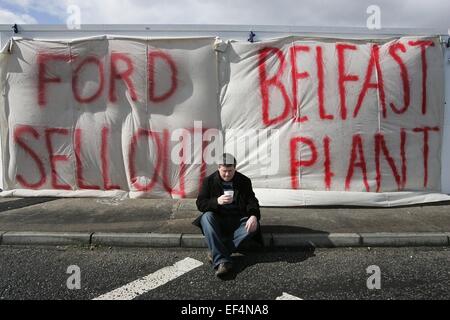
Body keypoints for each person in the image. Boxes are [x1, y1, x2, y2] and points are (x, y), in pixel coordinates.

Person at [193, 153, 262, 278]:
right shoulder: (209, 181)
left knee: (253, 226)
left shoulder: (244, 181)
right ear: (219, 167)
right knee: (206, 217)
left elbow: (252, 202)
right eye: (224, 171)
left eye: (230, 171)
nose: (227, 174)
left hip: (237, 220)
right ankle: (222, 260)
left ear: (235, 168)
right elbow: (200, 203)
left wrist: (253, 216)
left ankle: (216, 254)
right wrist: (216, 201)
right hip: (218, 220)